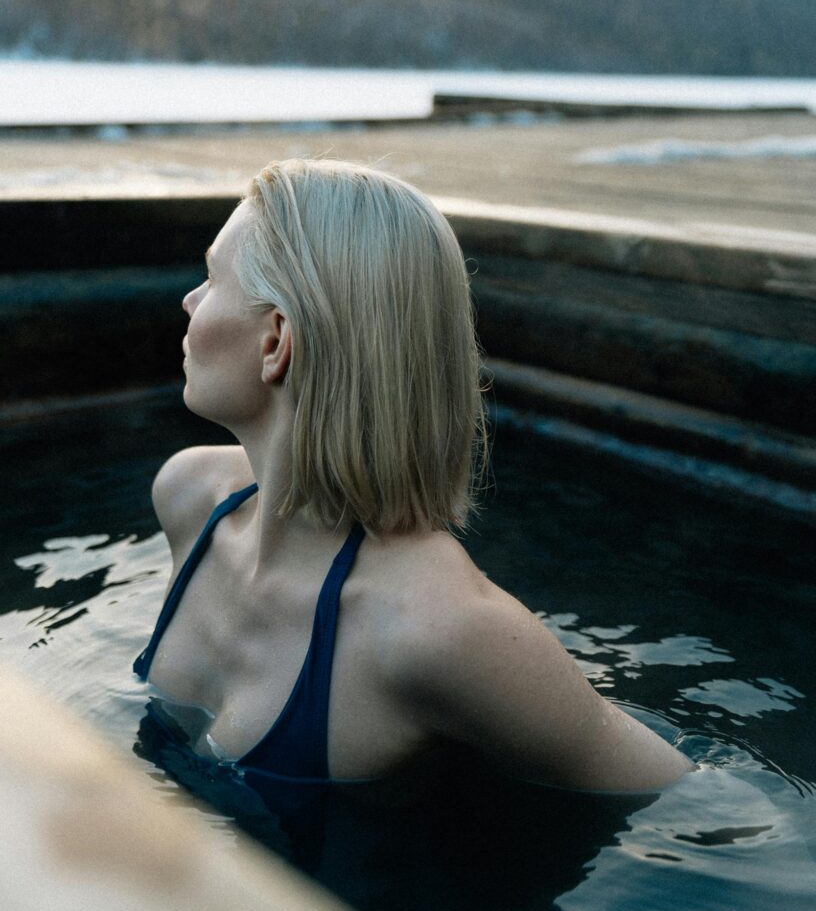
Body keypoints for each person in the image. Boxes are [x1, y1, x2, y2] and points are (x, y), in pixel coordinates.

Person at [134, 157, 693, 793]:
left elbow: (696, 803)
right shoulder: (189, 497)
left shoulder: (437, 631)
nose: (189, 300)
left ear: (276, 343)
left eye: (210, 278)